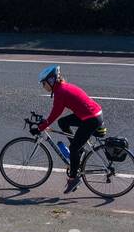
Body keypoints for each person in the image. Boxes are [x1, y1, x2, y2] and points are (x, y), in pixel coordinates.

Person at [32, 65, 103, 194]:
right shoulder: (62, 88)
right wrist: (45, 123)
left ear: (51, 81)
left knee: (74, 148)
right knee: (63, 122)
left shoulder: (60, 92)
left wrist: (41, 127)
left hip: (91, 119)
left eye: (43, 83)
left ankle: (73, 178)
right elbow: (56, 116)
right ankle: (78, 152)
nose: (43, 86)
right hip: (91, 114)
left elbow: (55, 113)